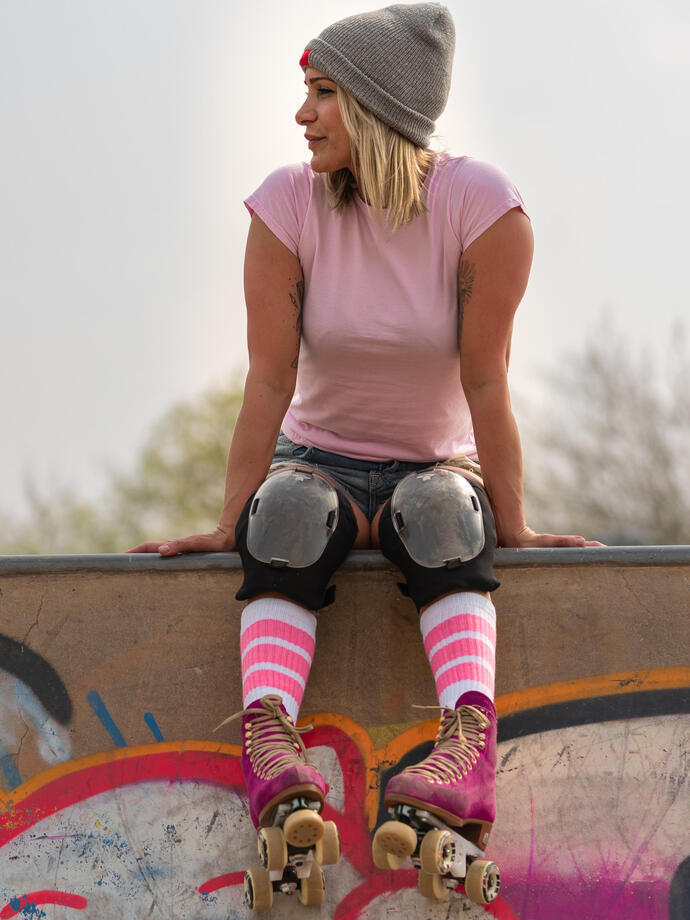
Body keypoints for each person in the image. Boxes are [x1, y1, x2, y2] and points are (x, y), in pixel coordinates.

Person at [130, 2, 601, 905]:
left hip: (437, 468)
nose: (301, 116)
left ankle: (466, 753)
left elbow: (488, 382)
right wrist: (231, 523)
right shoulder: (285, 205)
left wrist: (514, 525)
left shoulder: (483, 206)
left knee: (437, 511)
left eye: (321, 95)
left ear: (378, 106)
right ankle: (272, 748)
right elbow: (267, 383)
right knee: (290, 511)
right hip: (321, 464)